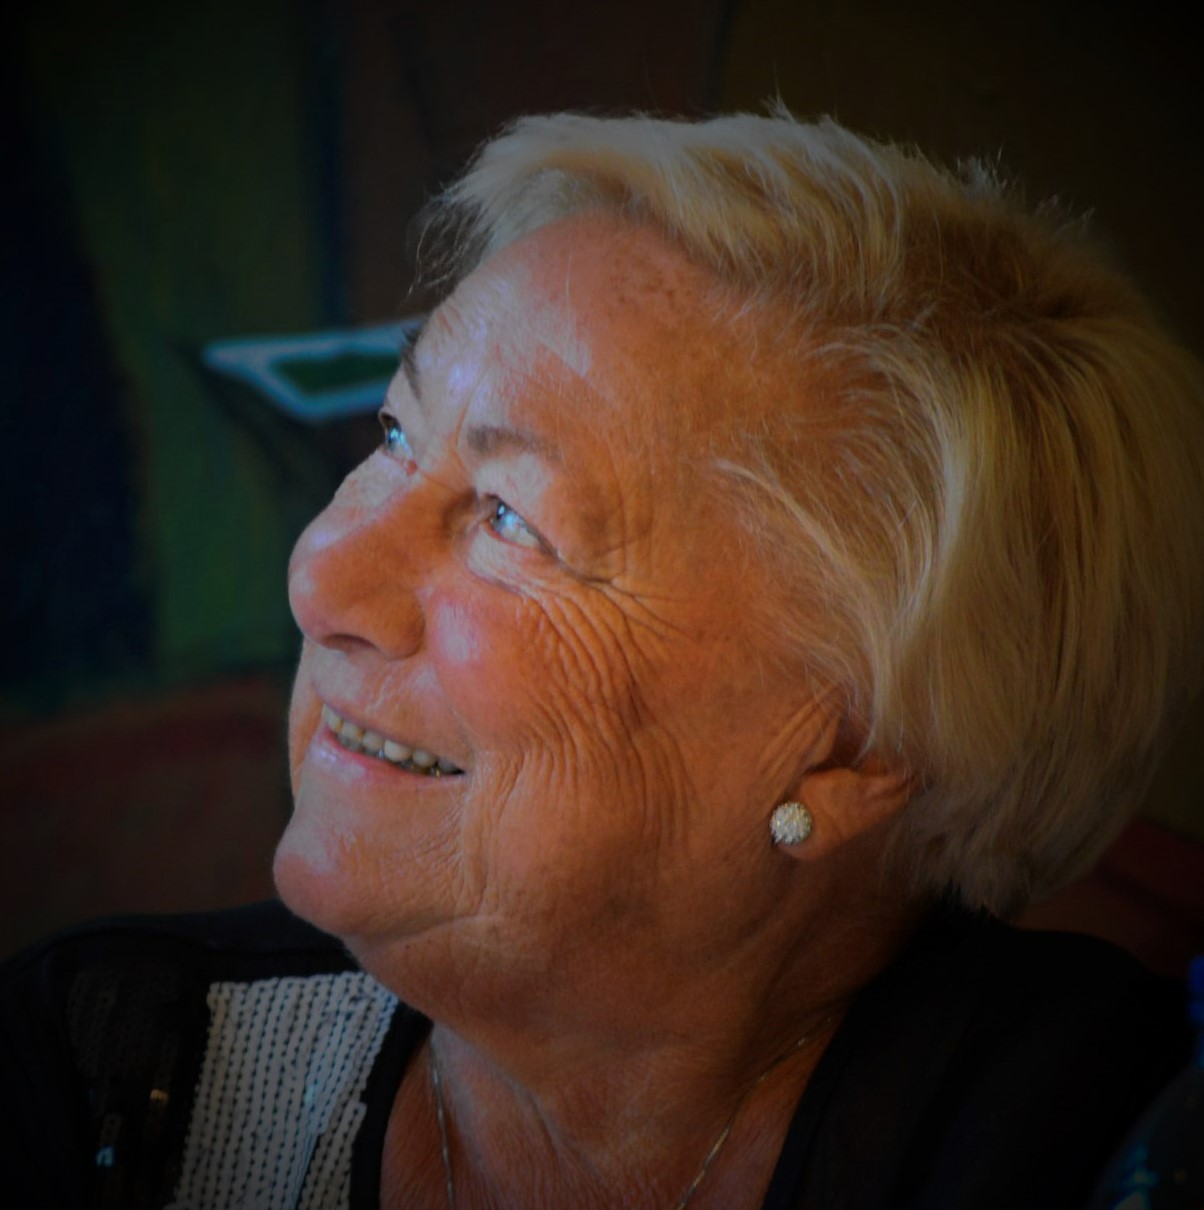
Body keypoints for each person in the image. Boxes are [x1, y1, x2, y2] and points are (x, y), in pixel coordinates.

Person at [4, 110, 1204, 1210]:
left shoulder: (1100, 1150)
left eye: (510, 519)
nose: (322, 575)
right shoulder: (105, 1079)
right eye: (394, 433)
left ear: (850, 749)